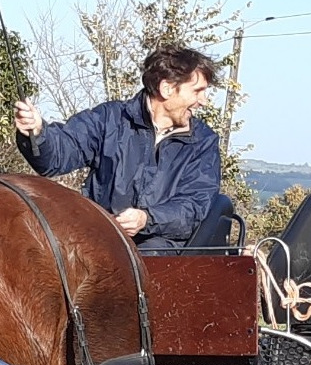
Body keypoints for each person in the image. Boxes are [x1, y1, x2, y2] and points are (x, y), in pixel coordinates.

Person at [13, 46, 221, 251]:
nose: (203, 101)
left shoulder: (203, 142)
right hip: (97, 239)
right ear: (166, 88)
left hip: (159, 251)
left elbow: (193, 207)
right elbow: (58, 155)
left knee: (148, 261)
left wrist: (146, 219)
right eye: (197, 91)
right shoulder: (109, 119)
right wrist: (37, 132)